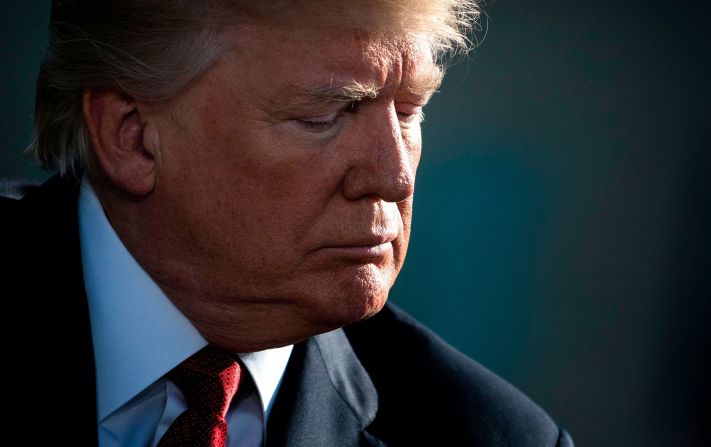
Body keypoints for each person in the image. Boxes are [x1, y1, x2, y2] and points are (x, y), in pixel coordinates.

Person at [1, 1, 573, 445]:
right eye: (323, 116)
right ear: (132, 137)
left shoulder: (490, 434)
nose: (394, 177)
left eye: (408, 111)